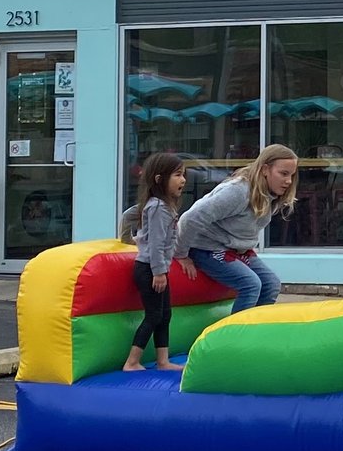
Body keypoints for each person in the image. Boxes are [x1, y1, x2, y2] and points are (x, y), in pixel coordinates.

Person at [179, 143, 298, 314]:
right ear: (265, 169)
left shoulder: (271, 195)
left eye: (292, 175)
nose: (288, 181)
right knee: (250, 284)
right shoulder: (238, 191)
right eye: (283, 174)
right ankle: (234, 336)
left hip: (236, 250)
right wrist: (181, 254)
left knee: (271, 284)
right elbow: (190, 218)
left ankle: (256, 330)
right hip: (206, 248)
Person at [120, 151, 187, 373]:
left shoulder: (163, 205)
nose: (183, 180)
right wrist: (159, 272)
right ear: (159, 179)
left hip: (156, 267)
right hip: (150, 268)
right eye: (177, 175)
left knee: (165, 314)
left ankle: (162, 360)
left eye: (183, 175)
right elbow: (157, 243)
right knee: (154, 315)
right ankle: (131, 362)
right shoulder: (157, 207)